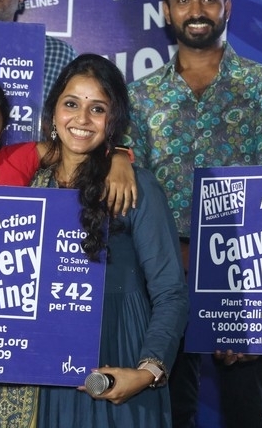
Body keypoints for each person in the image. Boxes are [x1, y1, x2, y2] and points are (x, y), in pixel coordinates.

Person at [125, 0, 262, 428]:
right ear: (167, 10)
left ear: (228, 6)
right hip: (164, 280)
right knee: (169, 412)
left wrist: (241, 288)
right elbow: (131, 190)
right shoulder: (140, 97)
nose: (196, 11)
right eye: (183, 0)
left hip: (244, 280)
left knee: (248, 411)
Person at [0, 74, 137, 427]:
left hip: (18, 350)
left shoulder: (19, 161)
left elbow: (80, 145)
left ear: (2, 128)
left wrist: (119, 157)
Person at [32, 54, 188, 427]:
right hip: (45, 368)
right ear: (53, 113)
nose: (82, 119)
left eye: (97, 108)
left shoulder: (135, 187)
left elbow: (171, 292)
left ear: (113, 119)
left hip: (120, 358)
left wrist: (148, 370)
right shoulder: (28, 183)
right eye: (71, 104)